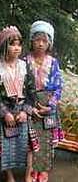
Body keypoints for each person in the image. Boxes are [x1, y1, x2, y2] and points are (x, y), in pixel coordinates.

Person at [0, 26, 36, 182]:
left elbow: (31, 90)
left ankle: (28, 175)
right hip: (5, 110)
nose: (16, 48)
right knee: (5, 146)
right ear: (3, 47)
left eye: (19, 44)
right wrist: (5, 113)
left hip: (22, 109)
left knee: (29, 146)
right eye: (12, 44)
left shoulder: (25, 65)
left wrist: (26, 111)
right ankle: (9, 176)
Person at [25, 20, 63, 182]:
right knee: (32, 140)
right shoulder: (25, 61)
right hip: (32, 103)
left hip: (49, 105)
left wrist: (51, 105)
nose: (40, 44)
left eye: (44, 41)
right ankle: (32, 169)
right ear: (31, 41)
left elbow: (59, 87)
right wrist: (29, 106)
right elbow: (22, 86)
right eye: (37, 40)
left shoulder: (53, 62)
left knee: (46, 139)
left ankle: (44, 170)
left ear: (49, 43)